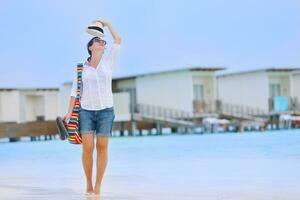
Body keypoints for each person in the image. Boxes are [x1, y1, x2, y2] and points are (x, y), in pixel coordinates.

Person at [63, 19, 122, 197]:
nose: (102, 43)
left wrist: (108, 23)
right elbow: (74, 91)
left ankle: (98, 186)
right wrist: (69, 112)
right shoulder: (82, 68)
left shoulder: (108, 62)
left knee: (102, 147)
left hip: (106, 111)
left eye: (103, 42)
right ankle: (88, 184)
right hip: (86, 111)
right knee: (87, 148)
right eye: (97, 40)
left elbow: (118, 39)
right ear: (90, 46)